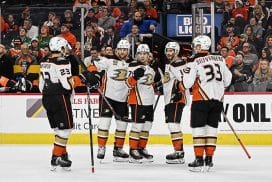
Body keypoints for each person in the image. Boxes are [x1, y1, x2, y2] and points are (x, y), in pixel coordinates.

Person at [183, 35, 232, 172]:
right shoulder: (220, 59)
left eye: (195, 46)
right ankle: (209, 160)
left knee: (198, 129)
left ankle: (199, 160)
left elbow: (187, 83)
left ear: (199, 46)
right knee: (211, 129)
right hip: (217, 100)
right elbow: (228, 80)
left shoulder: (194, 61)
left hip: (201, 99)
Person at [90, 39, 131, 162]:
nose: (122, 52)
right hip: (107, 97)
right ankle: (101, 147)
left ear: (128, 51)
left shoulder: (132, 64)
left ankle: (118, 149)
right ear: (116, 50)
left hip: (123, 99)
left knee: (122, 125)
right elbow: (93, 67)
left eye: (125, 50)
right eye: (120, 49)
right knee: (104, 123)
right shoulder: (108, 61)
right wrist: (91, 75)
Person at [39, 37, 74, 171]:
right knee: (66, 129)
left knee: (59, 130)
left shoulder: (44, 62)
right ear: (60, 48)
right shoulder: (62, 62)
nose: (66, 50)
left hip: (46, 98)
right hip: (59, 98)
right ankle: (56, 157)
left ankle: (63, 155)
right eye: (64, 47)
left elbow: (41, 86)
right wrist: (79, 80)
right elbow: (67, 85)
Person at [126, 44, 157, 162]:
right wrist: (134, 77)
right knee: (137, 126)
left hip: (149, 101)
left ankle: (142, 148)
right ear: (136, 55)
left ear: (149, 55)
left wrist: (158, 85)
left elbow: (150, 84)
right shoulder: (132, 67)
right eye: (140, 53)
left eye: (145, 53)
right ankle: (133, 150)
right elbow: (127, 85)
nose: (142, 56)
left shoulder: (151, 69)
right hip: (137, 101)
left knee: (147, 126)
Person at [163, 42, 191, 164]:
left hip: (176, 98)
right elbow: (169, 79)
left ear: (177, 51)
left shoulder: (178, 63)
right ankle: (178, 151)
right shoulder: (170, 64)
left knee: (173, 124)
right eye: (167, 50)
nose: (169, 53)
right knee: (172, 124)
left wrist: (178, 92)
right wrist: (160, 85)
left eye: (171, 51)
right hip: (170, 97)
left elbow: (184, 79)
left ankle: (179, 153)